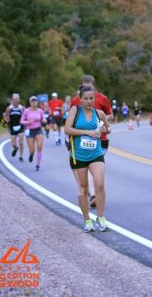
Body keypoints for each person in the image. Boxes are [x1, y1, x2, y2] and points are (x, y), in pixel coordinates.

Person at [64, 86, 111, 232]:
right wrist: (88, 132)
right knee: (83, 189)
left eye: (91, 98)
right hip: (78, 155)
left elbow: (108, 128)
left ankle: (101, 218)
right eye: (86, 98)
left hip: (95, 153)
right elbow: (67, 129)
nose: (89, 101)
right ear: (80, 99)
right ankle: (87, 220)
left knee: (100, 185)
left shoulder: (99, 113)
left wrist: (105, 130)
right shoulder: (75, 111)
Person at [71, 75, 113, 208]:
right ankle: (93, 195)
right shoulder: (75, 101)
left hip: (100, 140)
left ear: (93, 84)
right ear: (81, 85)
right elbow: (70, 122)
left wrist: (100, 120)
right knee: (87, 168)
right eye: (85, 83)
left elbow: (110, 114)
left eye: (89, 83)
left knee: (96, 169)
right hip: (80, 141)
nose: (87, 85)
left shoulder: (102, 98)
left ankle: (96, 192)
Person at [20, 95, 46, 171]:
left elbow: (43, 118)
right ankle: (31, 155)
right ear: (30, 103)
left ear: (37, 102)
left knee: (39, 147)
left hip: (38, 130)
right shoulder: (26, 111)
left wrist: (44, 120)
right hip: (30, 131)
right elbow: (21, 121)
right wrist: (28, 122)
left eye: (35, 101)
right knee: (32, 150)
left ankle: (38, 165)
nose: (34, 102)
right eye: (32, 101)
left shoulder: (40, 111)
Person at [4, 93, 25, 161]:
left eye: (17, 99)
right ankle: (15, 148)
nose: (15, 101)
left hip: (20, 126)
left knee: (21, 141)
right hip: (12, 127)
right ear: (12, 100)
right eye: (14, 99)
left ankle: (21, 156)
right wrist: (7, 120)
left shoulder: (21, 108)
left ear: (19, 100)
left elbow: (25, 116)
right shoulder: (9, 108)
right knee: (13, 144)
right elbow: (5, 115)